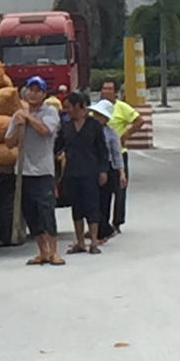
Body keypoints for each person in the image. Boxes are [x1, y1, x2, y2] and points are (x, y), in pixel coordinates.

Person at [4, 76, 63, 266]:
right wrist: (19, 125)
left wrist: (29, 118)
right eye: (31, 90)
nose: (34, 94)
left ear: (44, 94)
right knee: (30, 212)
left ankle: (54, 251)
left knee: (46, 211)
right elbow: (9, 142)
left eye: (38, 90)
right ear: (25, 92)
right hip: (24, 171)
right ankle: (42, 251)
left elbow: (45, 131)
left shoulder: (50, 112)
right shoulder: (18, 115)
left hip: (43, 170)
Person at [57, 93, 109, 255]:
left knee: (92, 206)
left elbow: (103, 150)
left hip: (91, 171)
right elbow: (58, 146)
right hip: (72, 172)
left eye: (69, 107)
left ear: (79, 106)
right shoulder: (66, 126)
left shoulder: (94, 125)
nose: (67, 111)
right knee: (77, 207)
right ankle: (80, 242)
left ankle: (93, 241)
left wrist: (103, 171)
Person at [100, 79, 142, 234]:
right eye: (104, 89)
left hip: (119, 154)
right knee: (102, 191)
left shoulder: (122, 108)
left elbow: (139, 121)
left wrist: (126, 135)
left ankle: (117, 221)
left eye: (110, 89)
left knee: (119, 190)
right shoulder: (97, 109)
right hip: (102, 156)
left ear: (116, 92)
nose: (106, 92)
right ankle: (101, 223)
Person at [89, 101, 126, 243]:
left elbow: (117, 154)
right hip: (93, 167)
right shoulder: (90, 130)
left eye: (100, 115)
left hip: (109, 168)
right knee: (93, 201)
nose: (96, 117)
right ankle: (97, 230)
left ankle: (104, 231)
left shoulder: (111, 134)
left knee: (104, 201)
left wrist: (121, 172)